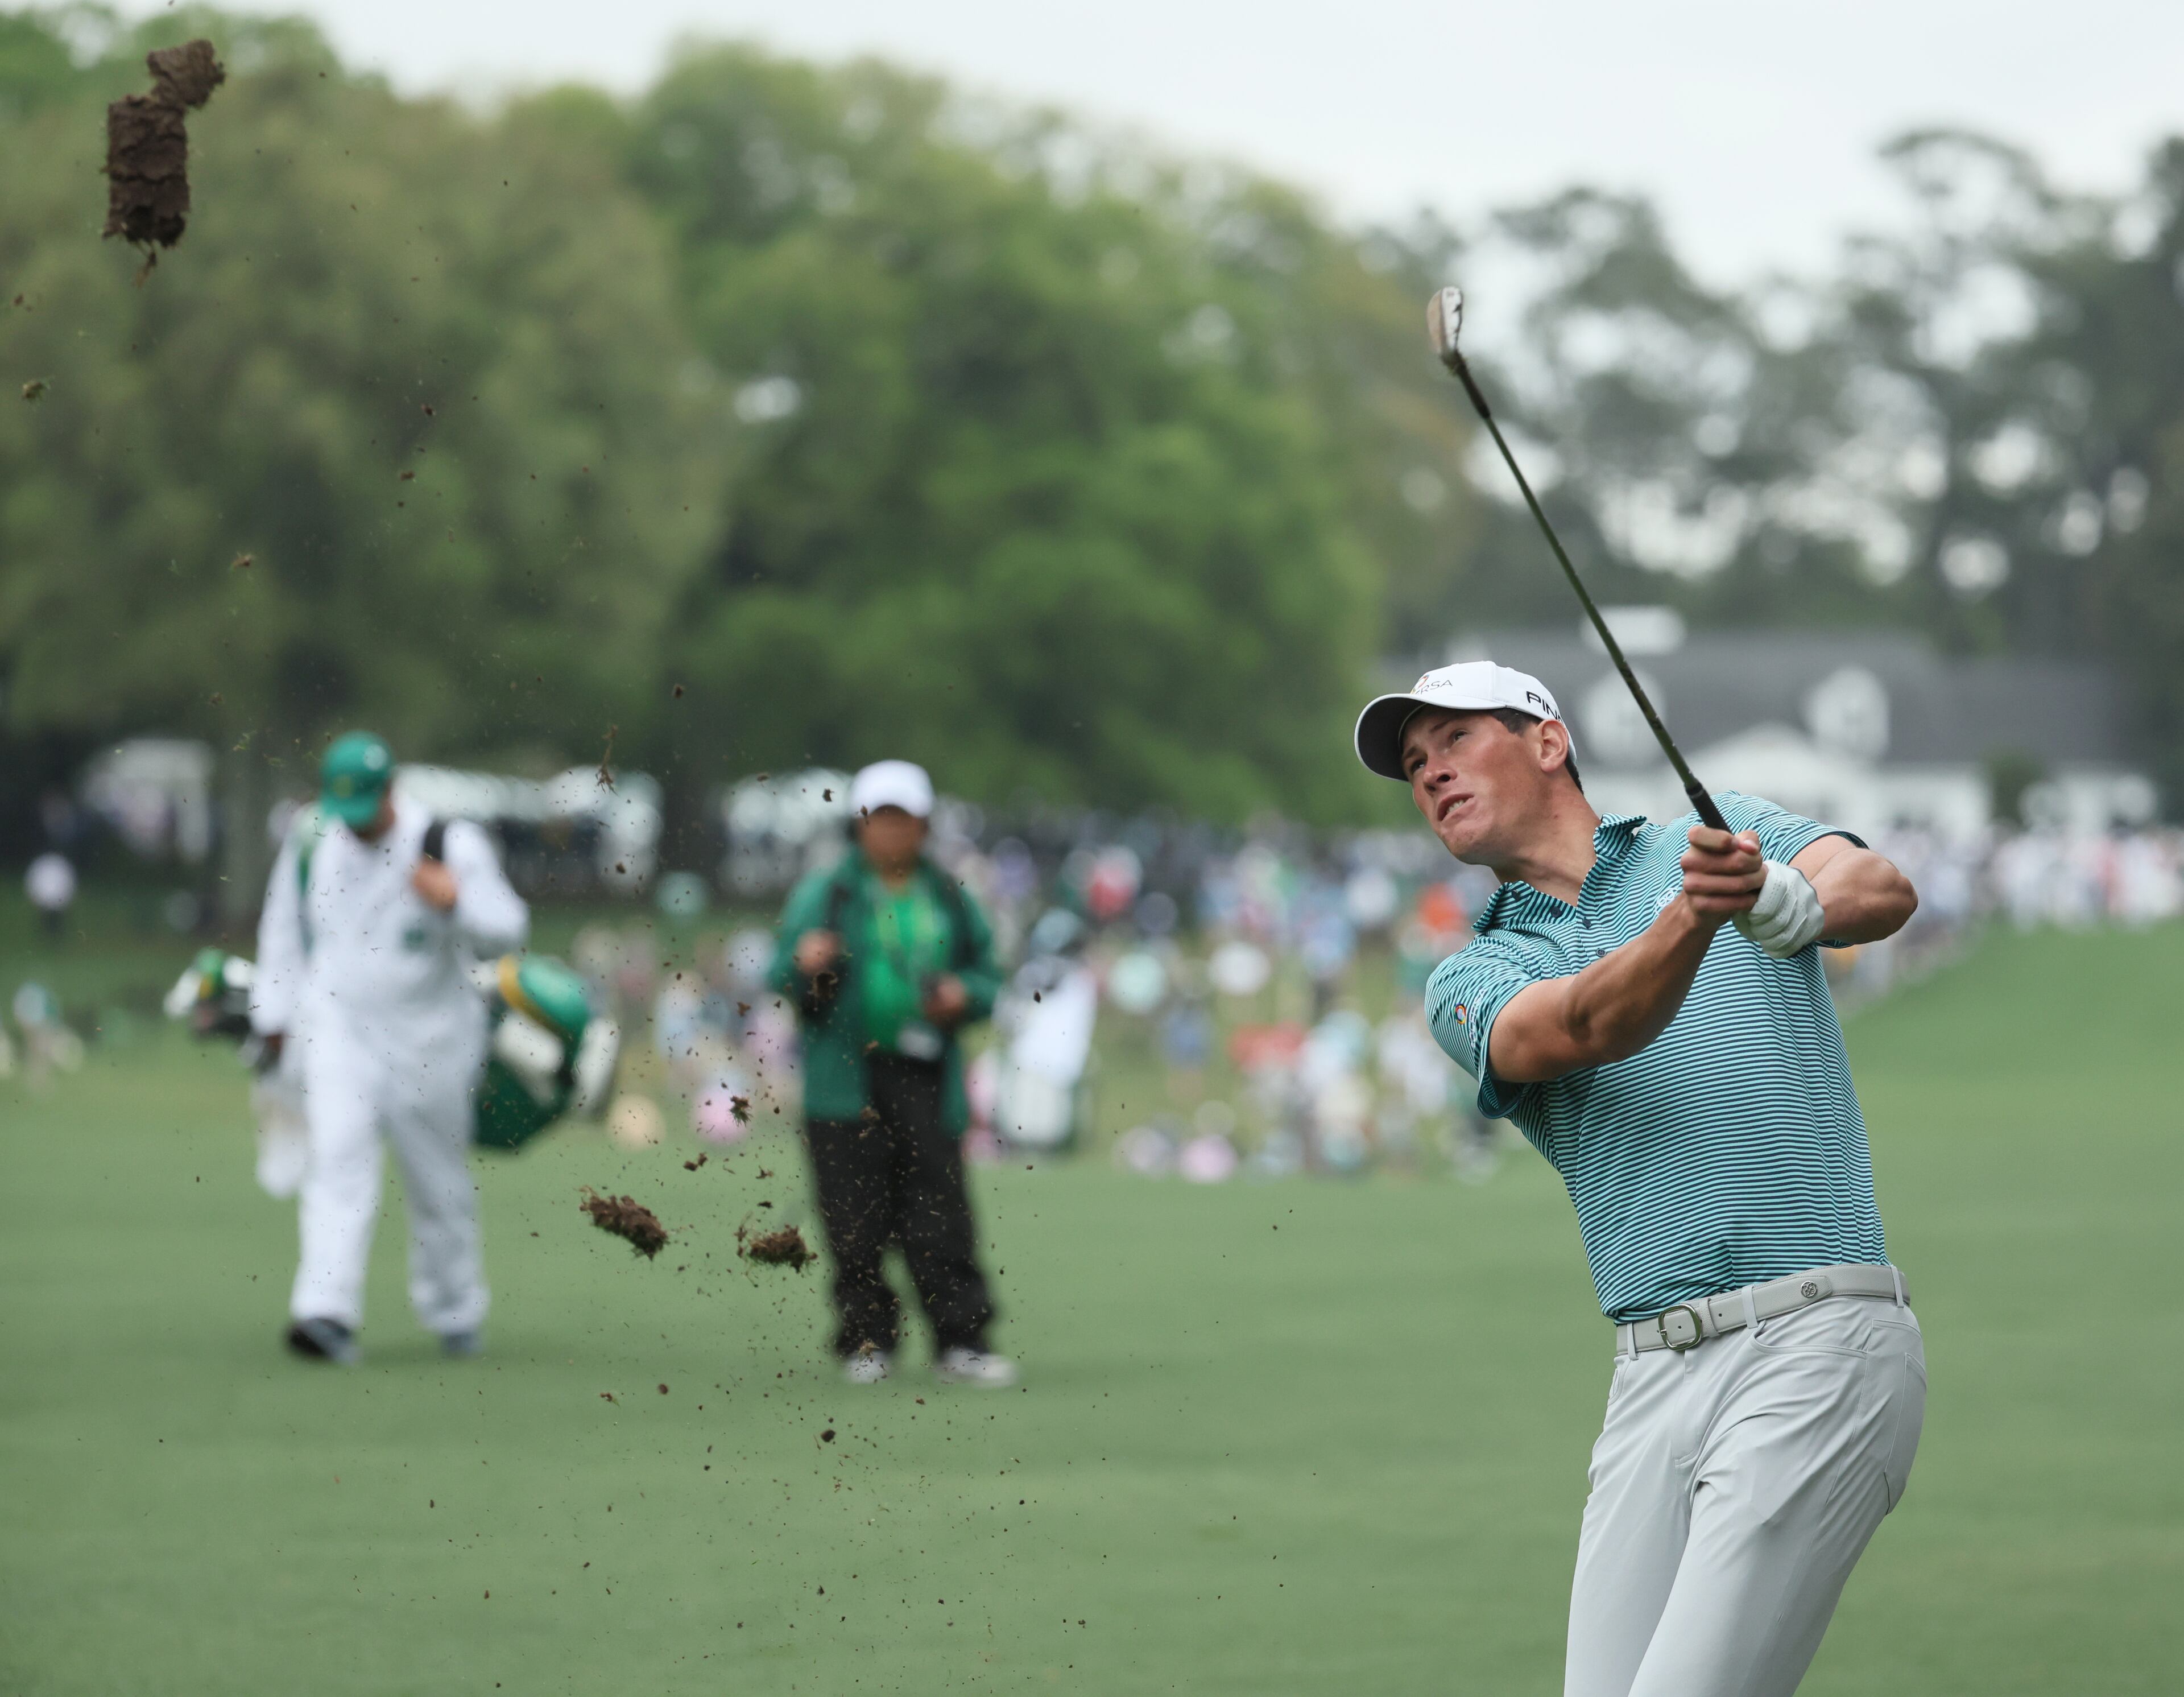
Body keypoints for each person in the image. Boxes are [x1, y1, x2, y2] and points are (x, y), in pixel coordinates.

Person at [1354, 661, 1926, 1697]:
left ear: (1546, 740)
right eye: (1413, 762)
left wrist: (1789, 896)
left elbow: (1881, 887)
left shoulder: (1714, 834)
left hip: (1818, 1338)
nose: (1430, 772)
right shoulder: (1471, 976)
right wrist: (1697, 914)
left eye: (1454, 739)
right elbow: (1584, 1025)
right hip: (1651, 1384)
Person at [249, 732, 528, 1365]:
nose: (358, 827)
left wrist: (456, 901)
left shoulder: (448, 843)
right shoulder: (313, 837)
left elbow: (508, 929)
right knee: (337, 1159)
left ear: (392, 790)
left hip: (431, 1036)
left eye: (367, 811)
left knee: (438, 1184)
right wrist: (273, 1014)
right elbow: (283, 929)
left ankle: (455, 1309)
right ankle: (324, 1311)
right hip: (340, 1025)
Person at [768, 759, 1015, 1388]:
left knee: (940, 1208)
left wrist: (965, 994)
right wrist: (810, 965)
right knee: (853, 1213)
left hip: (926, 1070)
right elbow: (786, 980)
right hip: (844, 1076)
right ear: (859, 825)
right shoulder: (826, 893)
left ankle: (961, 1338)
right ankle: (865, 1336)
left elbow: (988, 974)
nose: (891, 831)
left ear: (924, 826)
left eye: (903, 819)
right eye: (880, 818)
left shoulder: (949, 895)